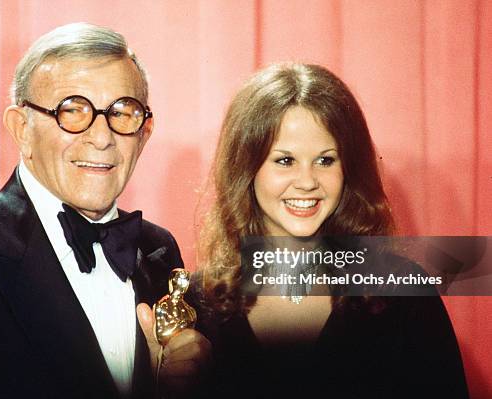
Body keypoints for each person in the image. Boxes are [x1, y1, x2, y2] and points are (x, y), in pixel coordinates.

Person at [0, 22, 210, 399]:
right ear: (21, 128)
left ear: (144, 132)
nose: (101, 138)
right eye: (72, 110)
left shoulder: (158, 249)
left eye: (122, 112)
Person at [193, 63, 469, 398]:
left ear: (348, 169)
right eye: (285, 160)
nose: (308, 182)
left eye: (326, 160)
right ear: (247, 169)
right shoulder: (199, 302)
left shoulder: (402, 293)